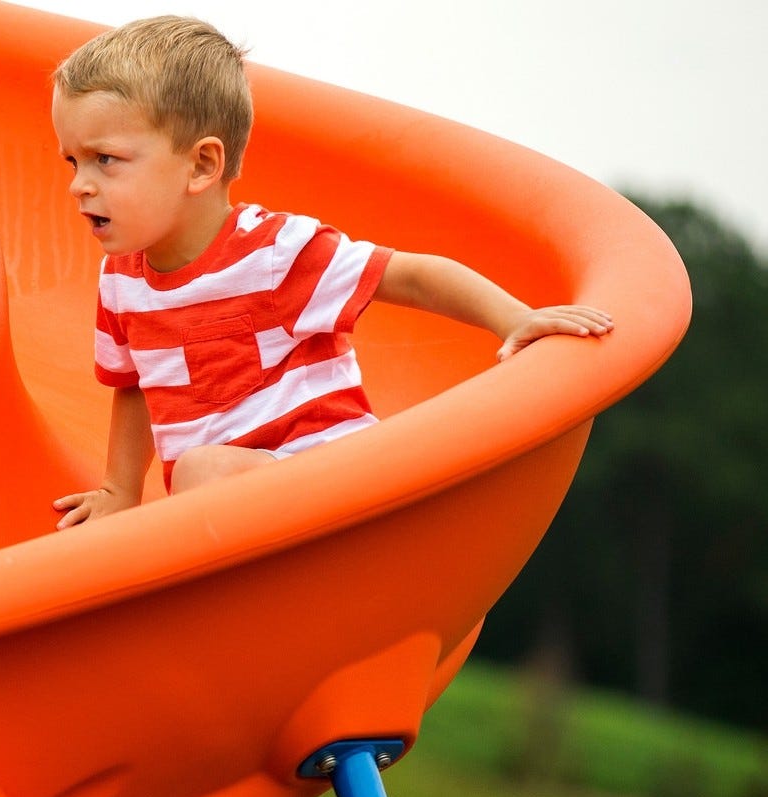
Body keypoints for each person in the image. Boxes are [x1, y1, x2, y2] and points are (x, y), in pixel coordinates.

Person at [49, 15, 612, 531]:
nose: (80, 183)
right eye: (73, 161)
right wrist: (120, 490)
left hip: (339, 485)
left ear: (201, 165)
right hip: (236, 507)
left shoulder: (275, 252)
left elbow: (410, 275)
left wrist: (515, 317)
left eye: (106, 159)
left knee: (201, 473)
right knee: (197, 486)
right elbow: (136, 385)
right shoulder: (122, 280)